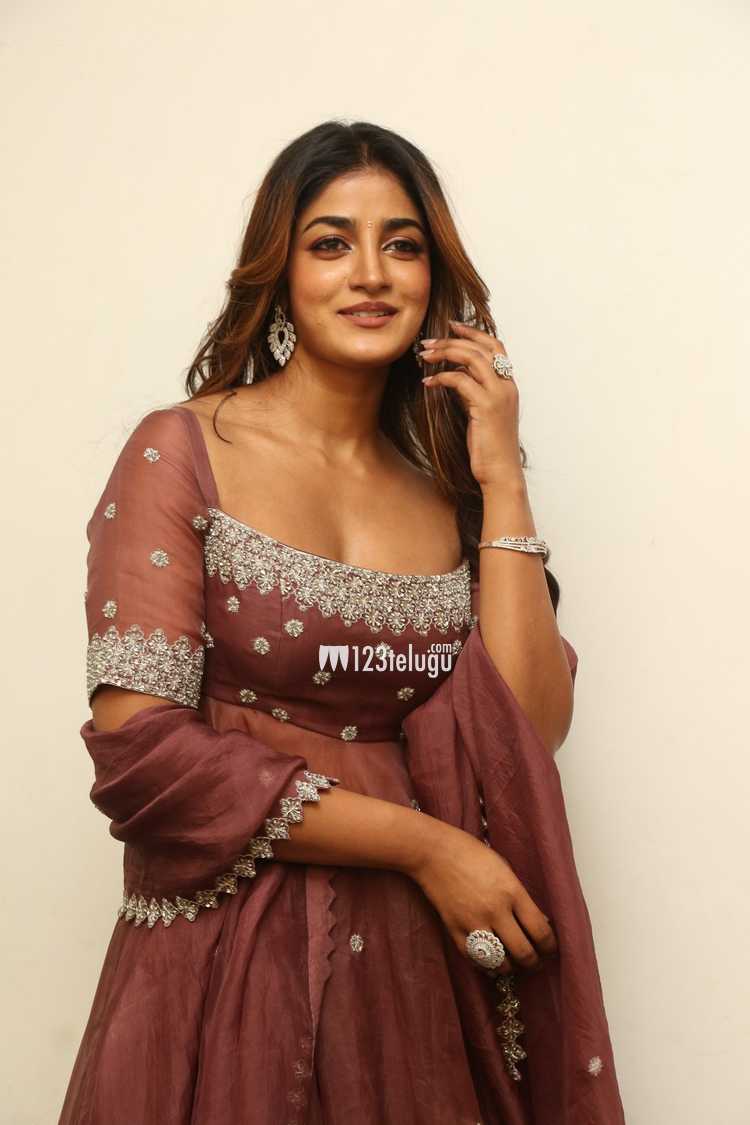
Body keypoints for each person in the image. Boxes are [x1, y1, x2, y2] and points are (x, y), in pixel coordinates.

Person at [59, 120, 625, 1124]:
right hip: (229, 962)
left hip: (416, 978)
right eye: (331, 243)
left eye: (402, 245)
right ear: (278, 275)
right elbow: (143, 753)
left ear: (431, 278)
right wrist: (427, 847)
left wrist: (502, 476)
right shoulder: (182, 451)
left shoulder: (449, 488)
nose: (370, 274)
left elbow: (526, 733)